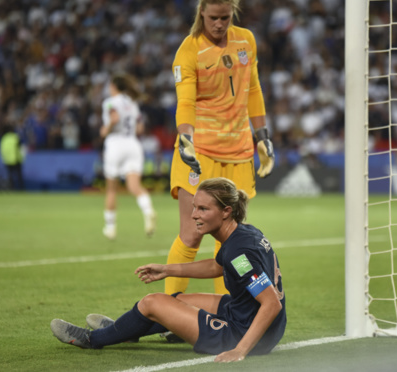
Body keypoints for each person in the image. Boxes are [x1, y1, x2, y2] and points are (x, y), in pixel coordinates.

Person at [50, 177, 286, 362]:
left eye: (203, 209)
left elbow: (271, 302)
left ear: (226, 211)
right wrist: (168, 269)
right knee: (178, 300)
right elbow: (217, 266)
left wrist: (240, 350)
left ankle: (93, 339)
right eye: (195, 207)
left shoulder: (238, 252)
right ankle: (124, 330)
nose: (194, 215)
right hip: (253, 320)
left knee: (152, 302)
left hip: (242, 334)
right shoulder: (243, 233)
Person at [167, 0, 275, 295]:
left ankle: (226, 314)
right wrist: (185, 139)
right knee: (191, 234)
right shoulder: (188, 51)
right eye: (213, 17)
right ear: (201, 12)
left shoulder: (246, 40)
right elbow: (186, 101)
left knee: (229, 238)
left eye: (225, 18)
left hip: (239, 153)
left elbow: (253, 89)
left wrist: (262, 136)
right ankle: (168, 311)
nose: (219, 24)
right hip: (199, 152)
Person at [100, 74, 156, 239]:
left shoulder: (110, 102)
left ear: (114, 87)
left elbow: (113, 119)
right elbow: (140, 128)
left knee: (111, 188)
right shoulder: (133, 103)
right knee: (134, 186)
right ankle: (148, 211)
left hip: (116, 144)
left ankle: (110, 228)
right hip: (133, 145)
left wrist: (107, 128)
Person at [0, 125, 25, 190]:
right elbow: (20, 147)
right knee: (19, 176)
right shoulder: (15, 137)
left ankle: (11, 189)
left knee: (10, 176)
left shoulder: (4, 138)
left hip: (7, 160)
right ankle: (21, 189)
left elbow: (2, 149)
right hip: (16, 159)